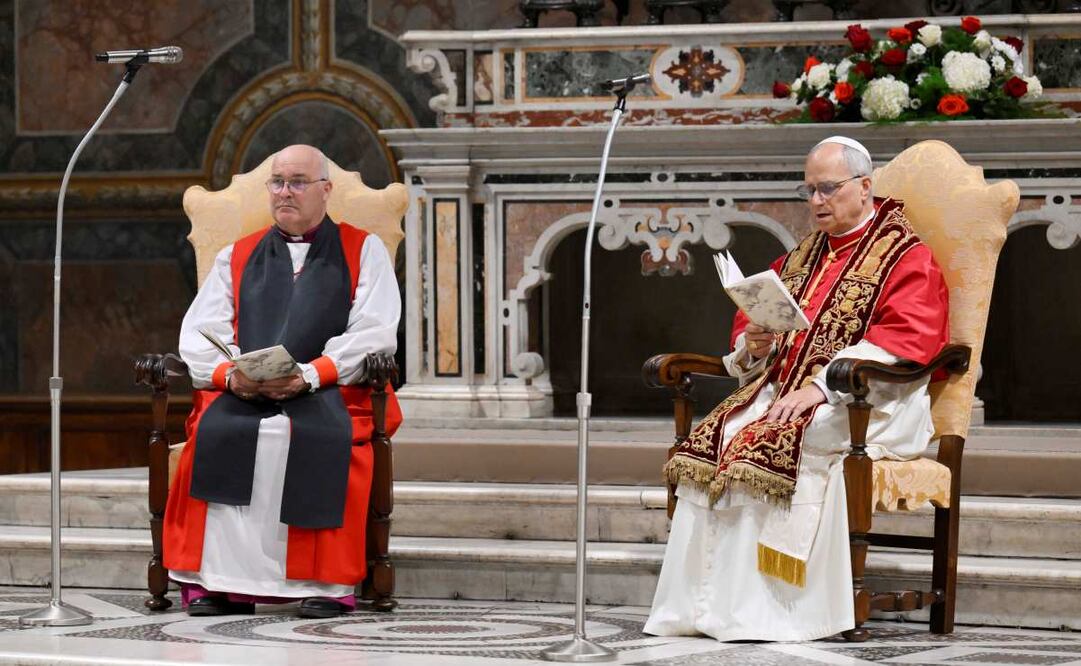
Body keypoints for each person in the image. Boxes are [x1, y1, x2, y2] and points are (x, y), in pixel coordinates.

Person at [644, 136, 949, 641]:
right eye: (809, 190)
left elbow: (909, 340)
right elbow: (757, 324)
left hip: (870, 400)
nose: (816, 201)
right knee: (720, 434)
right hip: (788, 389)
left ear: (865, 186)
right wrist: (756, 342)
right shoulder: (806, 254)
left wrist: (823, 388)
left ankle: (772, 610)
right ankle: (703, 608)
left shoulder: (905, 255)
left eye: (828, 188)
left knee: (779, 435)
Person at [163, 144, 402, 619]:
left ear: (325, 191)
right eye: (277, 182)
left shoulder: (363, 248)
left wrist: (311, 376)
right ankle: (219, 583)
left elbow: (375, 332)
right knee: (220, 432)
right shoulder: (238, 254)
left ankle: (323, 583)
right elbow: (198, 331)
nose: (284, 192)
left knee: (306, 436)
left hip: (328, 390)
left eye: (297, 182)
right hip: (245, 390)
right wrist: (231, 377)